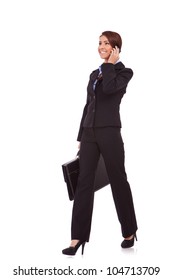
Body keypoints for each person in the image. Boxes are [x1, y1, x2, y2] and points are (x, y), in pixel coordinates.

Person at [62, 31, 138, 255]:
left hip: (110, 132)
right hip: (89, 133)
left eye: (106, 43)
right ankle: (77, 238)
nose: (101, 46)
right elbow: (88, 105)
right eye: (99, 43)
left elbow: (110, 89)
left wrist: (111, 65)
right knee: (83, 183)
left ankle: (129, 230)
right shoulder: (94, 74)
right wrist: (80, 136)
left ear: (115, 48)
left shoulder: (124, 72)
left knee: (118, 179)